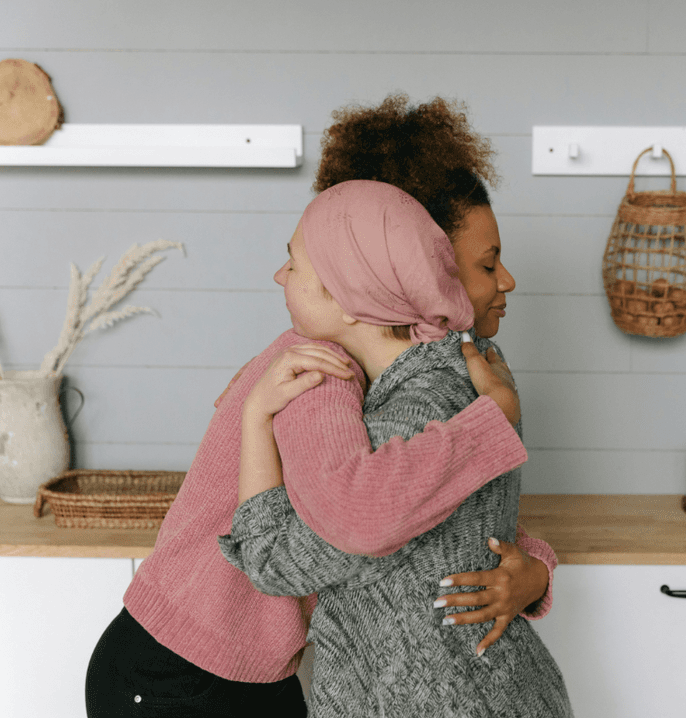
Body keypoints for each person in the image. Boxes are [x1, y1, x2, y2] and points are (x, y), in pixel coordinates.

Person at [85, 95, 557, 717]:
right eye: (485, 264)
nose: (506, 279)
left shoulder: (428, 374)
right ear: (399, 272)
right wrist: (492, 425)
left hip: (241, 667)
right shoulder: (322, 372)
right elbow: (353, 523)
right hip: (184, 669)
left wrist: (534, 571)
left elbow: (431, 511)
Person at [219, 179, 572, 717]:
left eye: (293, 264)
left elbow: (276, 562)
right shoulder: (471, 372)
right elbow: (462, 526)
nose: (279, 276)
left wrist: (255, 415)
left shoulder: (412, 415)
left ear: (349, 296)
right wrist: (539, 566)